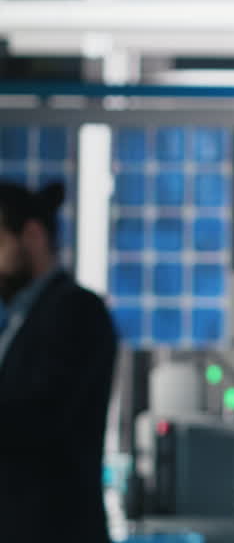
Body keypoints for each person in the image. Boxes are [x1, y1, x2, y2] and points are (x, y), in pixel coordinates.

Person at [0, 181, 118, 543]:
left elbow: (36, 419)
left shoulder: (76, 311)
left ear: (32, 235)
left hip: (52, 529)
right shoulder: (21, 318)